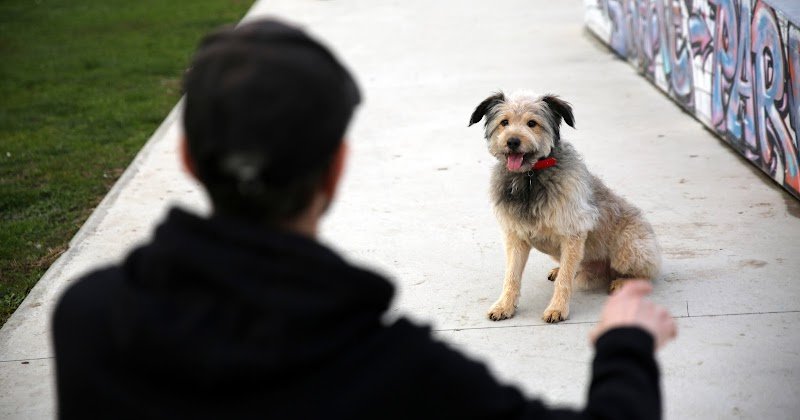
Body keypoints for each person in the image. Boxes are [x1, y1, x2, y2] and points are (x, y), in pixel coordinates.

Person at [52, 19, 677, 419]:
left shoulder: (86, 317)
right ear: (335, 167)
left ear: (188, 156)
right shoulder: (393, 366)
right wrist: (625, 344)